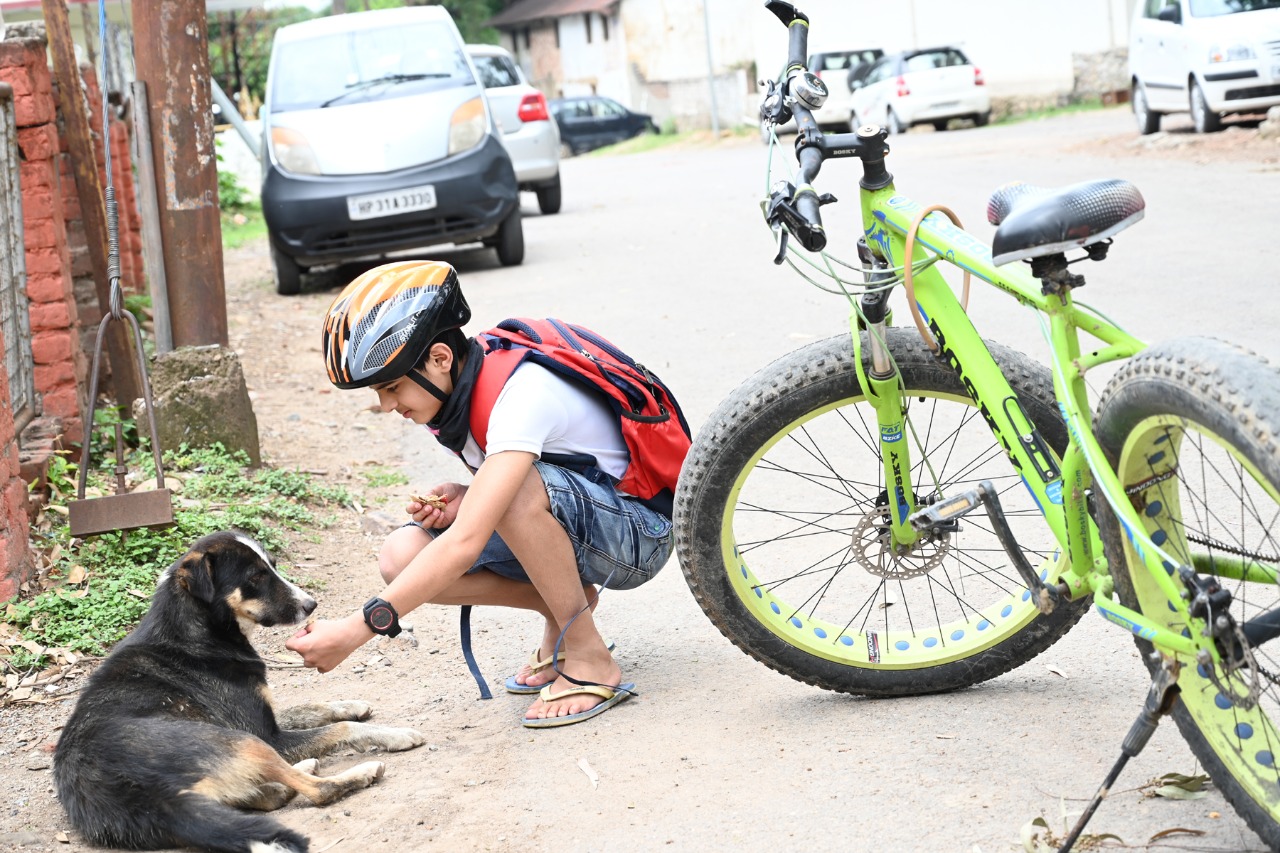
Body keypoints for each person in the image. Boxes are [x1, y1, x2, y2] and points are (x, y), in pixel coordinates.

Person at [286, 260, 675, 727]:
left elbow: (477, 533)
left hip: (640, 535)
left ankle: (590, 657)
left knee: (509, 497)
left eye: (391, 388)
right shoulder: (457, 394)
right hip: (590, 520)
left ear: (440, 359)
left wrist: (356, 630)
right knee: (400, 554)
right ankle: (564, 613)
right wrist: (467, 494)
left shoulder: (520, 393)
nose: (386, 406)